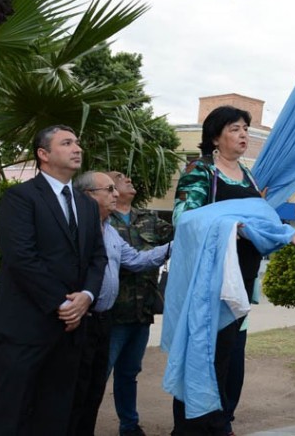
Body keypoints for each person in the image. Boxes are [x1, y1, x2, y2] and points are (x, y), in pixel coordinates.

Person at [170, 105, 295, 435]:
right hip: (210, 285)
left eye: (245, 128)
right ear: (215, 137)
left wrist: (288, 235)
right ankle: (193, 428)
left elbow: (258, 222)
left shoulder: (248, 176)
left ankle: (222, 421)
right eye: (235, 128)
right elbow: (184, 221)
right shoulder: (200, 172)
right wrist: (231, 227)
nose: (244, 134)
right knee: (206, 357)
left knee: (232, 362)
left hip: (240, 286)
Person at [0, 125, 107, 435]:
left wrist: (87, 296)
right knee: (8, 416)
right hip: (24, 330)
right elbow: (22, 258)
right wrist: (63, 304)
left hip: (68, 333)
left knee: (55, 417)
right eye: (66, 143)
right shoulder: (20, 197)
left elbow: (97, 257)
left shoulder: (87, 204)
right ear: (43, 154)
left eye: (77, 142)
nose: (77, 148)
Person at [69, 171, 170, 436]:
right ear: (88, 195)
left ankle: (124, 425)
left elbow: (137, 260)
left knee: (108, 380)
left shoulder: (110, 231)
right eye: (109, 188)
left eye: (116, 188)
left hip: (125, 315)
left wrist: (175, 246)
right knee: (85, 382)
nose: (115, 193)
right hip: (87, 319)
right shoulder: (75, 229)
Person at [105, 171, 174, 436]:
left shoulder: (149, 219)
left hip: (141, 312)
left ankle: (129, 425)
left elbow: (181, 235)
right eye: (120, 177)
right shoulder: (101, 220)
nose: (129, 179)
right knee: (99, 374)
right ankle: (80, 423)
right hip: (111, 315)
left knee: (129, 373)